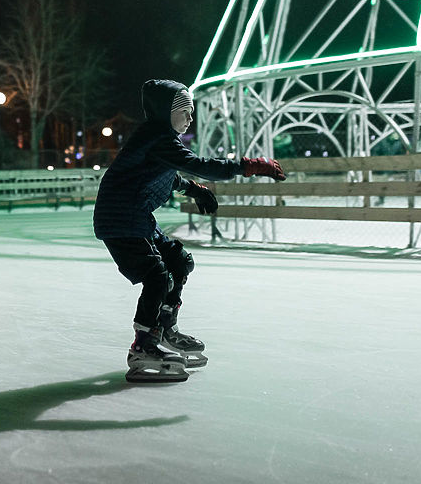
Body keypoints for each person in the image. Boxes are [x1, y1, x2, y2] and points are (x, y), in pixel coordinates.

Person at [93, 79, 286, 383]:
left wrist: (194, 190)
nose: (190, 118)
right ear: (164, 113)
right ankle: (143, 346)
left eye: (191, 111)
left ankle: (165, 329)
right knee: (157, 276)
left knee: (179, 261)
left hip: (136, 217)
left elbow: (164, 175)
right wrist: (247, 166)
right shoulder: (157, 137)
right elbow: (199, 164)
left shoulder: (159, 139)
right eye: (184, 111)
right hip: (120, 220)